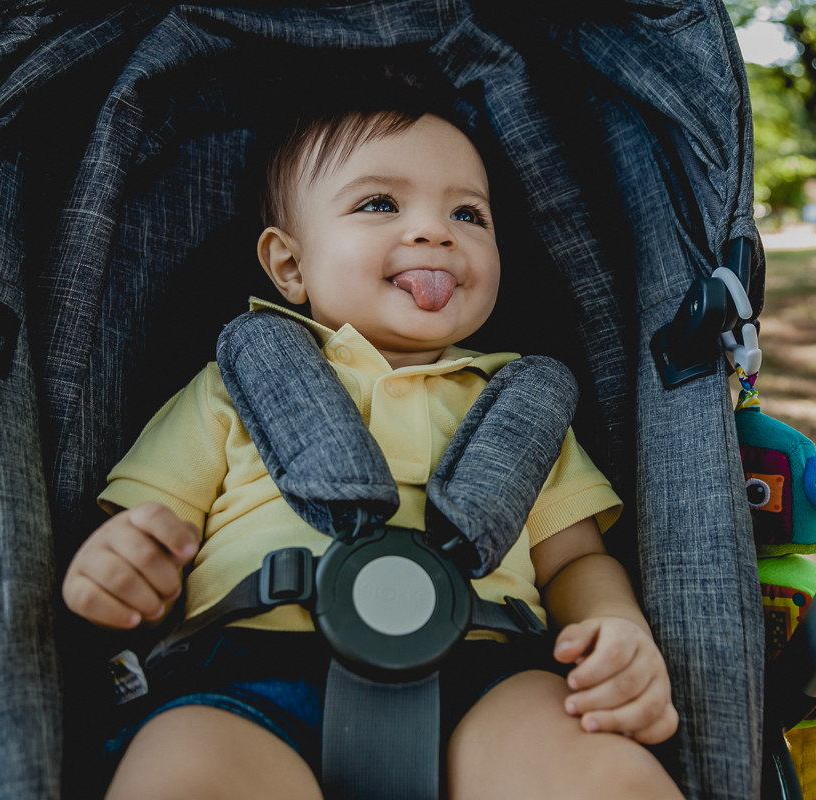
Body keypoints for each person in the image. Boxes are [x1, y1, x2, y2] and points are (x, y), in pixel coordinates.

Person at [61, 83, 684, 800]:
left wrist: (615, 627)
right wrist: (119, 564)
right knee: (184, 769)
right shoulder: (229, 388)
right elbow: (152, 520)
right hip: (247, 674)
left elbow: (574, 558)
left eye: (468, 214)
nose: (434, 232)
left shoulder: (519, 406)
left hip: (489, 672)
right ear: (290, 266)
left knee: (592, 765)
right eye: (380, 205)